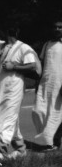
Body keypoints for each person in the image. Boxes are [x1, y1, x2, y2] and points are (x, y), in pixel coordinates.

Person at [0, 26, 39, 161]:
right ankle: (21, 149)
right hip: (0, 86)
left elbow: (32, 66)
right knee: (9, 116)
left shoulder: (23, 47)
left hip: (14, 86)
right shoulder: (2, 47)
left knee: (7, 117)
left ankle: (1, 150)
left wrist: (14, 67)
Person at [33, 21, 62, 151]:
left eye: (60, 27)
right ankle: (45, 139)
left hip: (60, 85)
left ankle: (54, 142)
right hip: (45, 84)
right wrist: (37, 83)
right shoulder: (47, 44)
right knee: (39, 111)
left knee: (57, 113)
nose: (57, 29)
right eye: (55, 27)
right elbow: (42, 64)